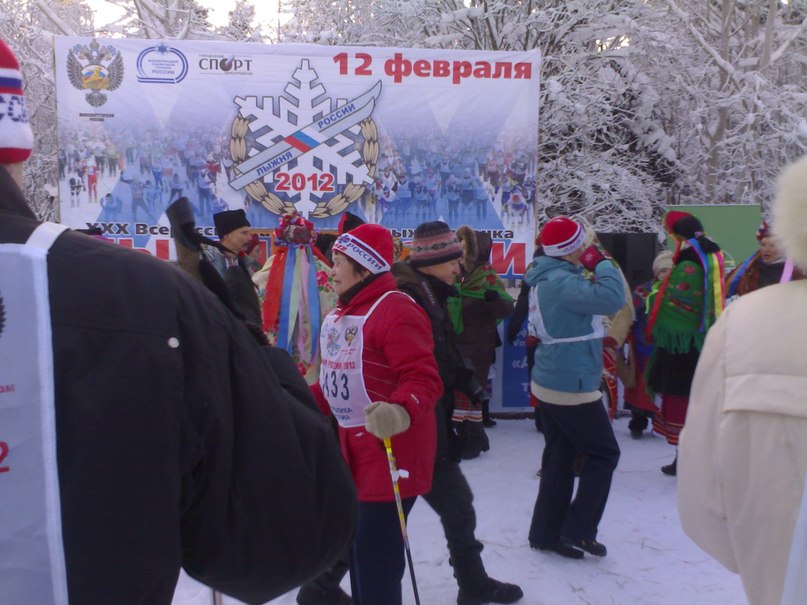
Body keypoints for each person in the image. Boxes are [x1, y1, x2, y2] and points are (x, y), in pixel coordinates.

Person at [0, 37, 356, 605]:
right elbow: (278, 537)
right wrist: (253, 358)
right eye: (242, 232)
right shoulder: (140, 293)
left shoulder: (154, 291)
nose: (247, 238)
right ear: (14, 146)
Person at [678, 155, 807, 605]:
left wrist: (757, 554)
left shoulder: (746, 322)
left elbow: (704, 486)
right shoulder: (748, 280)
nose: (769, 249)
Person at [311, 223, 442, 605]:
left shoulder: (396, 309)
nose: (330, 270)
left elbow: (424, 378)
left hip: (391, 453)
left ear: (365, 269)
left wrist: (400, 410)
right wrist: (291, 402)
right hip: (352, 451)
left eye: (338, 262)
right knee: (356, 549)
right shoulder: (344, 312)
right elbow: (336, 381)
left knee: (375, 558)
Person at [393, 221, 523, 605]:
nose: (459, 269)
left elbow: (442, 350)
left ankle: (473, 584)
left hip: (430, 427)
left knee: (458, 509)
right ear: (433, 261)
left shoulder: (429, 290)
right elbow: (417, 363)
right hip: (410, 430)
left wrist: (467, 380)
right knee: (384, 520)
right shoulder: (407, 296)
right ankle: (321, 585)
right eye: (453, 261)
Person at [525, 216, 624, 559]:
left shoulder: (552, 275)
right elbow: (613, 297)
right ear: (572, 250)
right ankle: (578, 529)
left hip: (555, 378)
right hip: (570, 383)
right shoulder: (561, 282)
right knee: (604, 453)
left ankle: (546, 532)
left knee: (560, 456)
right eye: (583, 243)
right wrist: (603, 262)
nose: (588, 248)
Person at [644, 210, 725, 475]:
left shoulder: (690, 263)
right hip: (697, 344)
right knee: (693, 400)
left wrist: (656, 294)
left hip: (683, 347)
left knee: (684, 399)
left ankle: (690, 460)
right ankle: (688, 458)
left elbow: (671, 301)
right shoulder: (705, 256)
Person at [450, 226, 514, 450]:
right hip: (454, 346)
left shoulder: (487, 278)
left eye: (464, 248)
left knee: (467, 394)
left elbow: (506, 308)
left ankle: (469, 442)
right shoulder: (455, 275)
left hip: (477, 348)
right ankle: (468, 440)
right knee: (458, 394)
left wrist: (493, 299)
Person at [623, 251, 673, 438]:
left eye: (670, 270)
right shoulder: (643, 291)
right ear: (656, 272)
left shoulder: (679, 292)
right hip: (643, 348)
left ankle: (660, 420)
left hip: (666, 348)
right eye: (663, 270)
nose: (666, 274)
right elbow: (629, 314)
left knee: (662, 386)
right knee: (641, 387)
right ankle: (638, 420)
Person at [205, 208, 262, 326]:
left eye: (249, 233)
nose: (250, 238)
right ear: (227, 235)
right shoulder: (207, 260)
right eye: (244, 233)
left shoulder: (246, 265)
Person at [726, 220, 804, 297]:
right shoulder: (750, 268)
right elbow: (726, 290)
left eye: (772, 245)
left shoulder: (797, 271)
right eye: (763, 244)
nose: (766, 249)